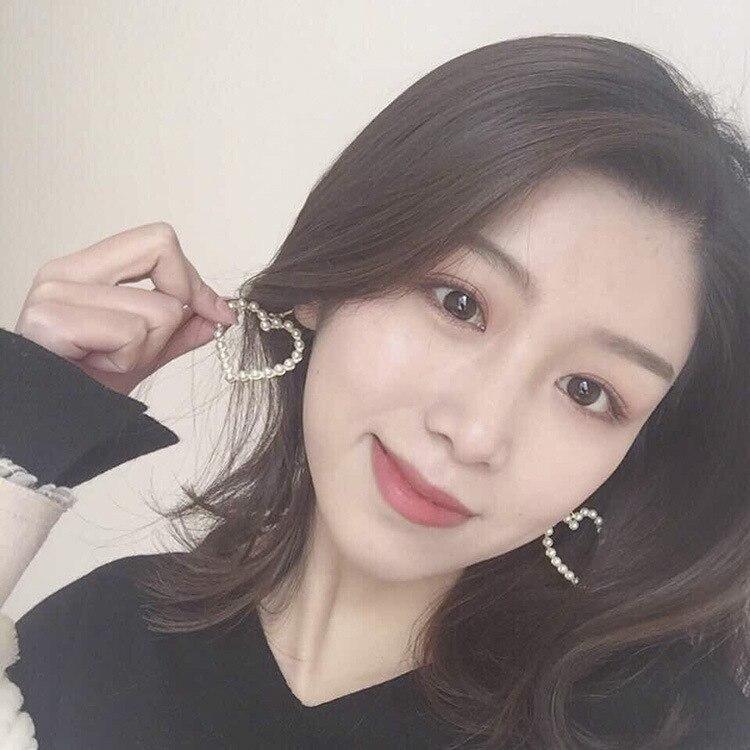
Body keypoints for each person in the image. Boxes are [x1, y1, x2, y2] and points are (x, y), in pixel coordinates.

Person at [2, 33, 750, 749]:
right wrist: (28, 420)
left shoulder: (676, 727)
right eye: (459, 303)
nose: (476, 433)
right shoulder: (100, 639)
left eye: (587, 390)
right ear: (330, 275)